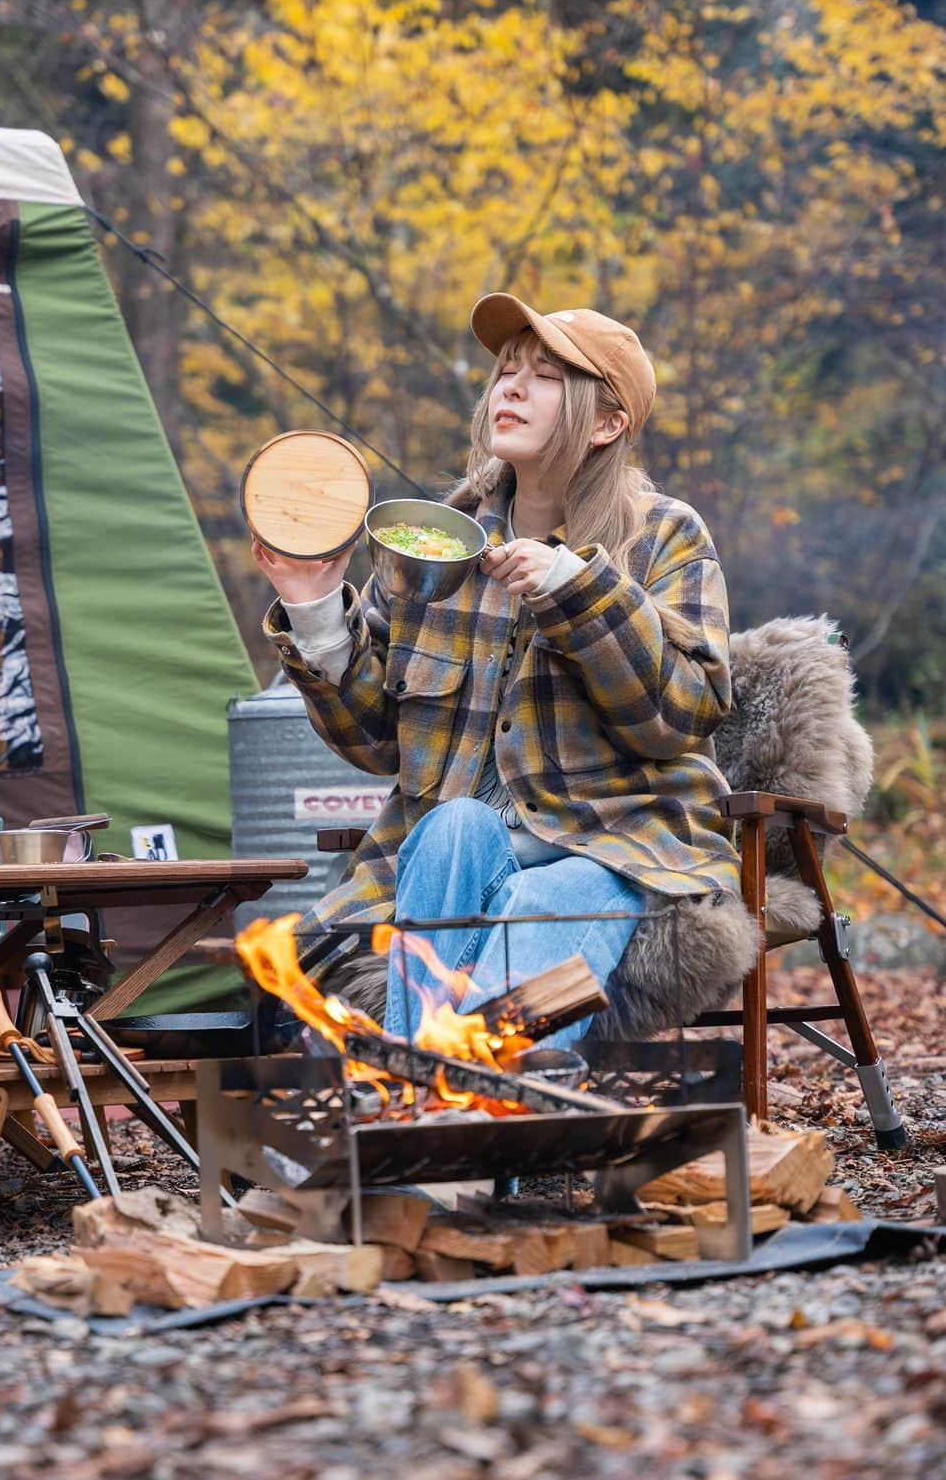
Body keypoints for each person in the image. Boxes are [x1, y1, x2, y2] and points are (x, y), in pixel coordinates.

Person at [252, 292, 741, 1043]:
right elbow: (377, 740)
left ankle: (436, 1113)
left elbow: (678, 715)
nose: (507, 386)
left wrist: (575, 592)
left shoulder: (665, 536)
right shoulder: (434, 542)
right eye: (505, 370)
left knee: (548, 897)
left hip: (612, 842)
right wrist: (316, 609)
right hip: (453, 854)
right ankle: (459, 1108)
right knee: (452, 823)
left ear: (607, 422)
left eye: (542, 376)